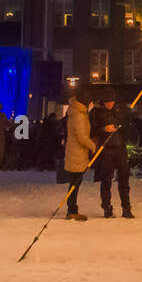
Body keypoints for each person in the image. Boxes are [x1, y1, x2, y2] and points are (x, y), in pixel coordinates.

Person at [90, 87, 134, 218]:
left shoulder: (120, 111)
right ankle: (107, 207)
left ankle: (126, 207)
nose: (110, 104)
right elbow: (92, 131)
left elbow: (128, 126)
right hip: (106, 150)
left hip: (120, 148)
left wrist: (127, 118)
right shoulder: (96, 113)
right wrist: (104, 129)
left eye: (112, 101)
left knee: (124, 179)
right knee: (106, 180)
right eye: (107, 102)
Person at [63, 88, 95, 221]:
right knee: (75, 183)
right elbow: (82, 137)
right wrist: (93, 145)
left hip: (76, 152)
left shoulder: (77, 112)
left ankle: (72, 209)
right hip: (77, 154)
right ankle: (72, 210)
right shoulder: (79, 115)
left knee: (75, 182)